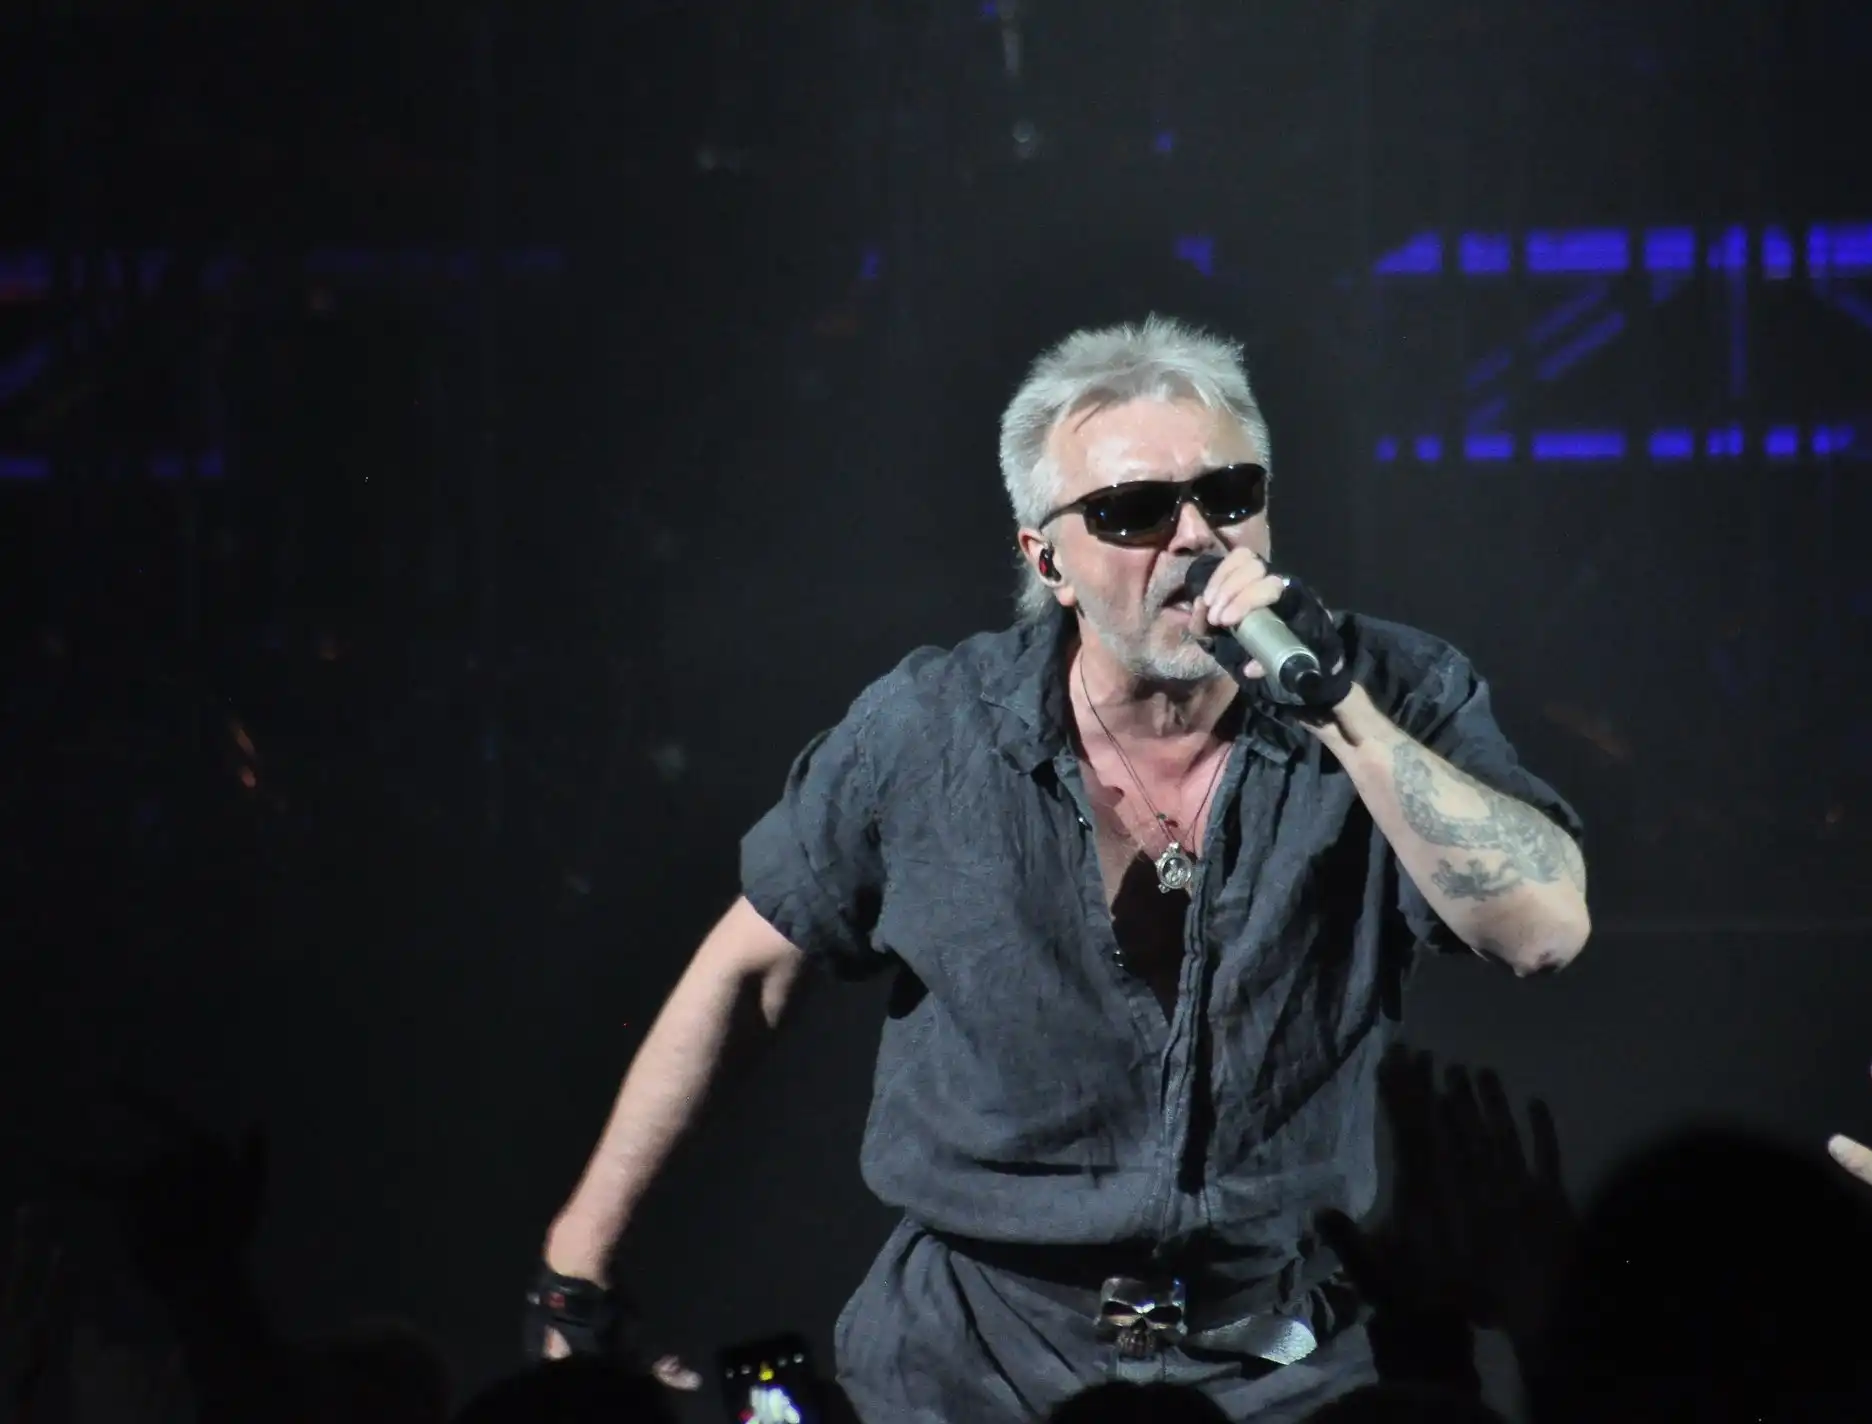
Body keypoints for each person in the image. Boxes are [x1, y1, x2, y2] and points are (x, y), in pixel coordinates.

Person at [530, 315, 1590, 1422]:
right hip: (974, 1362)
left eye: (1228, 495)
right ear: (1047, 560)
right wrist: (576, 1272)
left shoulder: (1387, 694)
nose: (1195, 537)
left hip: (1278, 1362)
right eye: (1134, 511)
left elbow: (1543, 933)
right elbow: (747, 970)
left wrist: (1336, 710)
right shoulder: (931, 732)